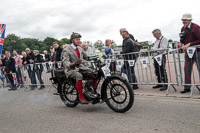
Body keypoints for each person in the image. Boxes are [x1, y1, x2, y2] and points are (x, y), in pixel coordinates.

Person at [62, 32, 97, 104]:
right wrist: (73, 64)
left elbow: (87, 57)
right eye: (77, 39)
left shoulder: (80, 49)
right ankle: (81, 96)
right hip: (71, 69)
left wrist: (97, 58)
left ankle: (92, 91)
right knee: (79, 76)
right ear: (72, 40)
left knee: (95, 73)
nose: (79, 41)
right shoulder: (67, 49)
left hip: (80, 67)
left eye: (79, 39)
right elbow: (65, 62)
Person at [179, 13, 200, 93]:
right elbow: (183, 41)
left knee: (199, 68)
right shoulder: (183, 29)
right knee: (187, 69)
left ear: (190, 20)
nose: (183, 21)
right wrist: (181, 38)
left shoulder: (196, 27)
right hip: (188, 52)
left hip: (197, 51)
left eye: (185, 20)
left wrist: (190, 44)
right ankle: (187, 87)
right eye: (182, 20)